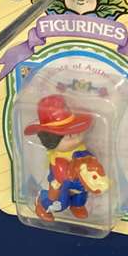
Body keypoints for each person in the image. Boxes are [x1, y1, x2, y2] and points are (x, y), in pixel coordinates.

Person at [24, 94, 108, 222]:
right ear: (52, 140)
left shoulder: (81, 149)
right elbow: (60, 176)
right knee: (60, 202)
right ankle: (42, 204)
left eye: (78, 131)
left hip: (79, 181)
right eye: (70, 136)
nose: (77, 138)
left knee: (81, 194)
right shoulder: (58, 159)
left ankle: (77, 205)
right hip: (61, 184)